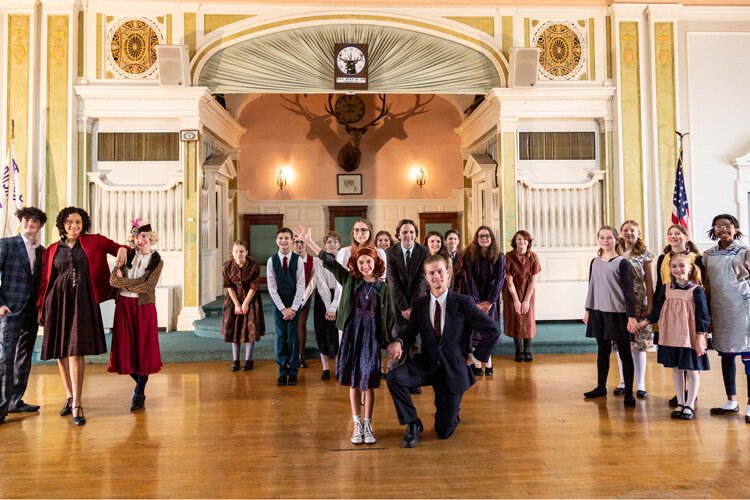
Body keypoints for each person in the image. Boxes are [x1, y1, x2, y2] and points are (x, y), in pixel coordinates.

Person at [386, 254, 500, 447]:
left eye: (440, 271)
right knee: (394, 377)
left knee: (444, 431)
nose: (436, 276)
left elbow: (493, 331)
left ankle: (452, 411)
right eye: (431, 273)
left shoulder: (463, 302)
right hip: (427, 365)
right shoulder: (420, 305)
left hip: (452, 370)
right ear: (426, 276)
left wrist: (475, 357)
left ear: (448, 273)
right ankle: (413, 423)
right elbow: (409, 331)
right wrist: (398, 342)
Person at [298, 226, 394, 444]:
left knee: (369, 383)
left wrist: (389, 343)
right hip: (352, 336)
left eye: (369, 262)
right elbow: (329, 261)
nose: (365, 266)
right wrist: (310, 242)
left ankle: (369, 424)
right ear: (356, 265)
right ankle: (357, 424)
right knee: (353, 382)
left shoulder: (383, 288)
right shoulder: (350, 280)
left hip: (370, 339)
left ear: (376, 263)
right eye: (361, 263)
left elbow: (387, 319)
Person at [37, 206, 128, 425]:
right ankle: (69, 396)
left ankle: (77, 403)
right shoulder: (51, 249)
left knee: (76, 350)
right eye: (69, 222)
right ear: (62, 224)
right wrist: (41, 306)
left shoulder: (95, 240)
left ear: (83, 224)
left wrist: (124, 248)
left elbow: (120, 248)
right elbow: (44, 282)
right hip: (57, 303)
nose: (74, 226)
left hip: (83, 302)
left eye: (78, 222)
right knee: (61, 351)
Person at [636, 253, 710, 420]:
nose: (678, 269)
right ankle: (681, 402)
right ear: (670, 269)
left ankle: (690, 404)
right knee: (676, 369)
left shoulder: (696, 290)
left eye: (682, 266)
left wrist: (700, 337)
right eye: (674, 266)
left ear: (690, 268)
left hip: (689, 336)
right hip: (671, 335)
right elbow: (657, 310)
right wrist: (643, 323)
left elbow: (703, 316)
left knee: (691, 370)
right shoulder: (666, 288)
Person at [108, 219, 165, 411]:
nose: (142, 240)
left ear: (151, 237)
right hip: (124, 305)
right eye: (138, 237)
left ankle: (139, 393)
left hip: (144, 307)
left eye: (145, 236)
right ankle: (140, 389)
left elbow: (148, 287)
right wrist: (135, 283)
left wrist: (127, 283)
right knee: (125, 348)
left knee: (143, 350)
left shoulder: (157, 261)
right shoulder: (125, 256)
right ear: (133, 240)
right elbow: (113, 280)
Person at [582, 226, 639, 407]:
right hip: (599, 312)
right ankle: (601, 387)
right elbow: (591, 286)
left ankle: (629, 392)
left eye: (609, 237)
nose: (605, 240)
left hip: (618, 313)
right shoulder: (595, 262)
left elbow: (629, 292)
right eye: (602, 237)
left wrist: (631, 316)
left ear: (616, 239)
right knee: (602, 351)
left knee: (624, 353)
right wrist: (588, 309)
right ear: (598, 240)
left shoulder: (622, 262)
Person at [0, 207, 46, 425]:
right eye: (27, 219)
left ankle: (16, 400)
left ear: (40, 226)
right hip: (9, 310)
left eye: (35, 221)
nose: (30, 223)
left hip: (31, 312)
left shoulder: (43, 251)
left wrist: (41, 308)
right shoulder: (6, 244)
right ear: (21, 222)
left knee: (24, 356)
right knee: (5, 357)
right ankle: (1, 405)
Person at [702, 214, 750, 422]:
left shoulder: (744, 252)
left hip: (743, 307)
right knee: (726, 355)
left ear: (736, 228)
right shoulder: (707, 255)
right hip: (720, 310)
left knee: (748, 357)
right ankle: (731, 400)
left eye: (727, 225)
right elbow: (706, 284)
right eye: (718, 226)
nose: (723, 229)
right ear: (713, 230)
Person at [655, 224, 703, 407]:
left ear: (686, 236)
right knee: (676, 360)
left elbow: (702, 284)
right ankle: (681, 397)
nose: (674, 237)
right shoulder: (663, 258)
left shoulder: (696, 259)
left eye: (678, 233)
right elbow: (660, 285)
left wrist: (702, 330)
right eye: (670, 234)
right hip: (669, 308)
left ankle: (690, 397)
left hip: (688, 309)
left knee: (689, 360)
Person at [613, 220, 656, 399]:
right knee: (620, 344)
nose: (629, 233)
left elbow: (649, 281)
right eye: (625, 230)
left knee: (639, 345)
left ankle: (640, 384)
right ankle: (623, 381)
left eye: (633, 230)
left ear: (639, 233)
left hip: (638, 303)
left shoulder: (645, 254)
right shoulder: (614, 251)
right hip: (617, 302)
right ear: (621, 233)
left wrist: (651, 305)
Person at [386, 219, 429, 393]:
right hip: (397, 305)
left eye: (411, 232)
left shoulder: (423, 251)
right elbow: (392, 282)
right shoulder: (390, 252)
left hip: (418, 305)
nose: (408, 235)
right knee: (399, 342)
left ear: (416, 234)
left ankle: (414, 381)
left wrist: (413, 308)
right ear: (398, 234)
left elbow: (421, 281)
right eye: (404, 232)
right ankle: (399, 382)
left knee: (416, 345)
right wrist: (404, 308)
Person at [461, 226, 505, 376]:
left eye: (487, 236)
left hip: (491, 298)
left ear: (491, 238)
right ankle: (477, 364)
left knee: (490, 331)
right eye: (481, 236)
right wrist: (477, 302)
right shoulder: (468, 254)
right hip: (474, 299)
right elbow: (469, 278)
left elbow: (500, 279)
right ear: (476, 239)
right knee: (475, 332)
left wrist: (490, 302)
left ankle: (489, 362)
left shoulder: (500, 256)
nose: (484, 238)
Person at [266, 227, 305, 386]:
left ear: (292, 241)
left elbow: (301, 286)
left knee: (293, 337)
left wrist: (293, 308)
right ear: (277, 241)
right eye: (280, 238)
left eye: (287, 238)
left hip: (295, 304)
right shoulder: (271, 261)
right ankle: (282, 370)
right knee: (281, 336)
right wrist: (283, 309)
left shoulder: (298, 260)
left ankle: (293, 371)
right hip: (279, 305)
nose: (283, 241)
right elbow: (271, 287)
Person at [221, 240, 264, 372]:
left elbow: (254, 286)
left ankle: (249, 360)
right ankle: (235, 360)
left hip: (251, 299)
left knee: (249, 329)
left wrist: (245, 304)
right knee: (235, 328)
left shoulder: (254, 266)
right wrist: (237, 304)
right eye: (236, 251)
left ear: (246, 252)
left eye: (241, 251)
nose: (238, 254)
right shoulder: (227, 266)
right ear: (232, 252)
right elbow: (229, 286)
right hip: (233, 300)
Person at [503, 230, 541, 362]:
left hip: (528, 293)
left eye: (525, 239)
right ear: (515, 241)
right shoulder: (508, 256)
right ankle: (518, 350)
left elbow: (533, 282)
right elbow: (509, 281)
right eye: (519, 239)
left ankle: (527, 350)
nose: (522, 242)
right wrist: (516, 301)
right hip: (512, 292)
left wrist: (525, 300)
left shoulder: (534, 257)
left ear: (528, 242)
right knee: (516, 320)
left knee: (528, 320)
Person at [313, 232, 343, 380]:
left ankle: (338, 366)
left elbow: (341, 285)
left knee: (338, 333)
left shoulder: (343, 259)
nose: (332, 244)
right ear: (325, 245)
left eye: (335, 242)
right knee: (322, 332)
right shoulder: (318, 261)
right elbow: (321, 284)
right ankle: (325, 368)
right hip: (322, 299)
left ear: (339, 244)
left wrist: (333, 307)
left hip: (340, 298)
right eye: (329, 242)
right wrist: (328, 306)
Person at [293, 236, 315, 368]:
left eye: (302, 242)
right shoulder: (289, 258)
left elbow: (312, 281)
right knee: (289, 327)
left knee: (301, 325)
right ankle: (291, 354)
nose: (299, 245)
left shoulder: (312, 260)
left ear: (306, 244)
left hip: (305, 296)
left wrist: (303, 298)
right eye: (296, 242)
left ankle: (301, 355)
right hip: (289, 296)